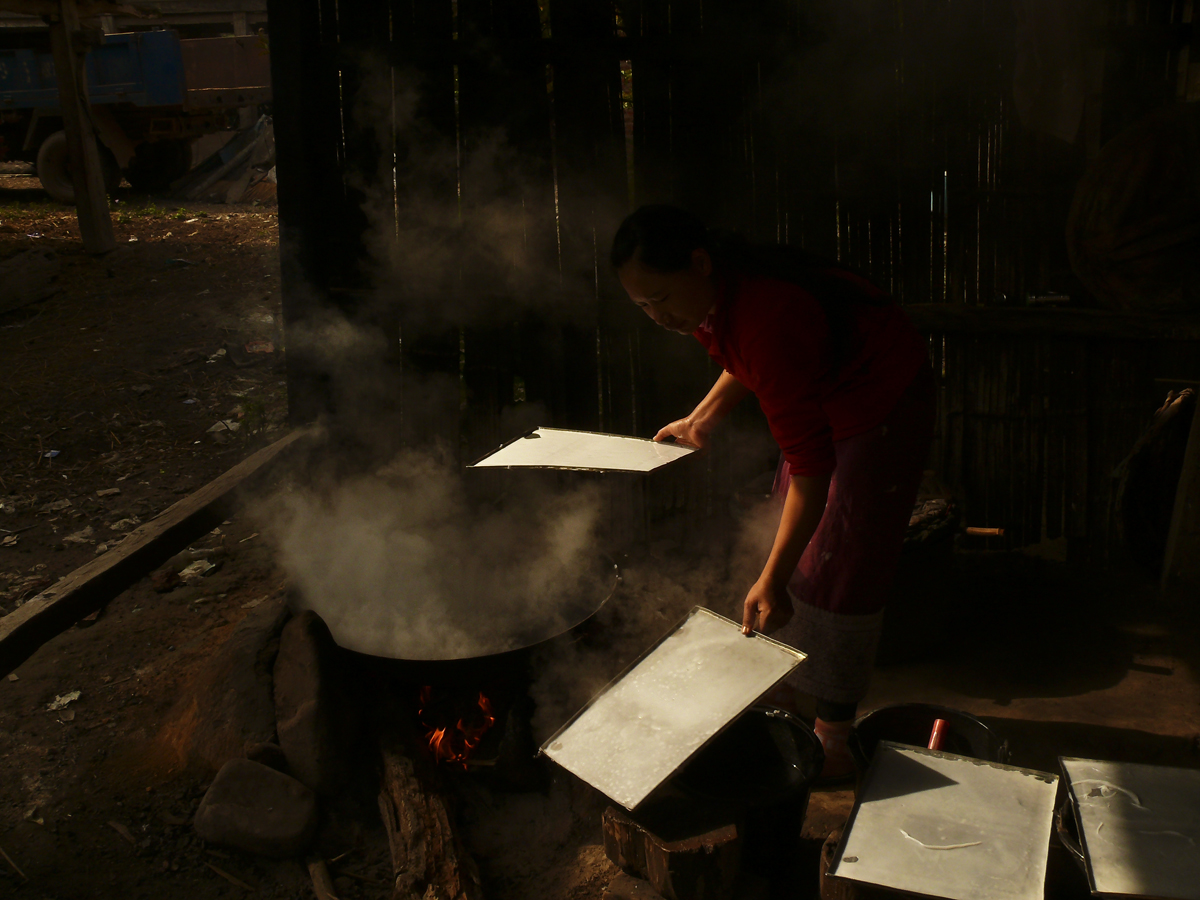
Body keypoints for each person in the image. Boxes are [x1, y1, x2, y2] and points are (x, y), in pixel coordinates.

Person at [611, 205, 935, 779]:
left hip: (881, 394)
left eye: (661, 297)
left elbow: (811, 468)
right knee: (799, 543)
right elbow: (749, 356)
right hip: (830, 386)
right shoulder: (725, 295)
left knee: (842, 559)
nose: (658, 316)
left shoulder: (766, 313)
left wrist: (772, 578)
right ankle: (791, 692)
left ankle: (833, 740)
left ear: (699, 263)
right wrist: (701, 419)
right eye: (643, 307)